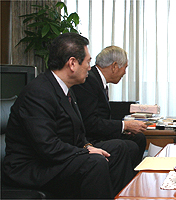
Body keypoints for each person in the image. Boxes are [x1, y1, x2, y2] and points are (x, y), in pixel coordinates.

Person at [2, 33, 135, 199]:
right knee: (95, 163)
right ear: (72, 63)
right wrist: (86, 153)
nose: (89, 67)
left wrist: (86, 146)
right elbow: (48, 147)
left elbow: (76, 132)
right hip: (31, 168)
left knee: (119, 149)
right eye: (87, 62)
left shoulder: (65, 89)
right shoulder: (38, 93)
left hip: (54, 159)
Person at [71, 46, 147, 166]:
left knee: (138, 138)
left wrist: (124, 128)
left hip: (97, 134)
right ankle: (127, 182)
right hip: (88, 140)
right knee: (129, 146)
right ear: (115, 66)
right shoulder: (88, 81)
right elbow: (89, 123)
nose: (125, 73)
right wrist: (124, 126)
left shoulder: (97, 80)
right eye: (125, 67)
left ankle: (133, 178)